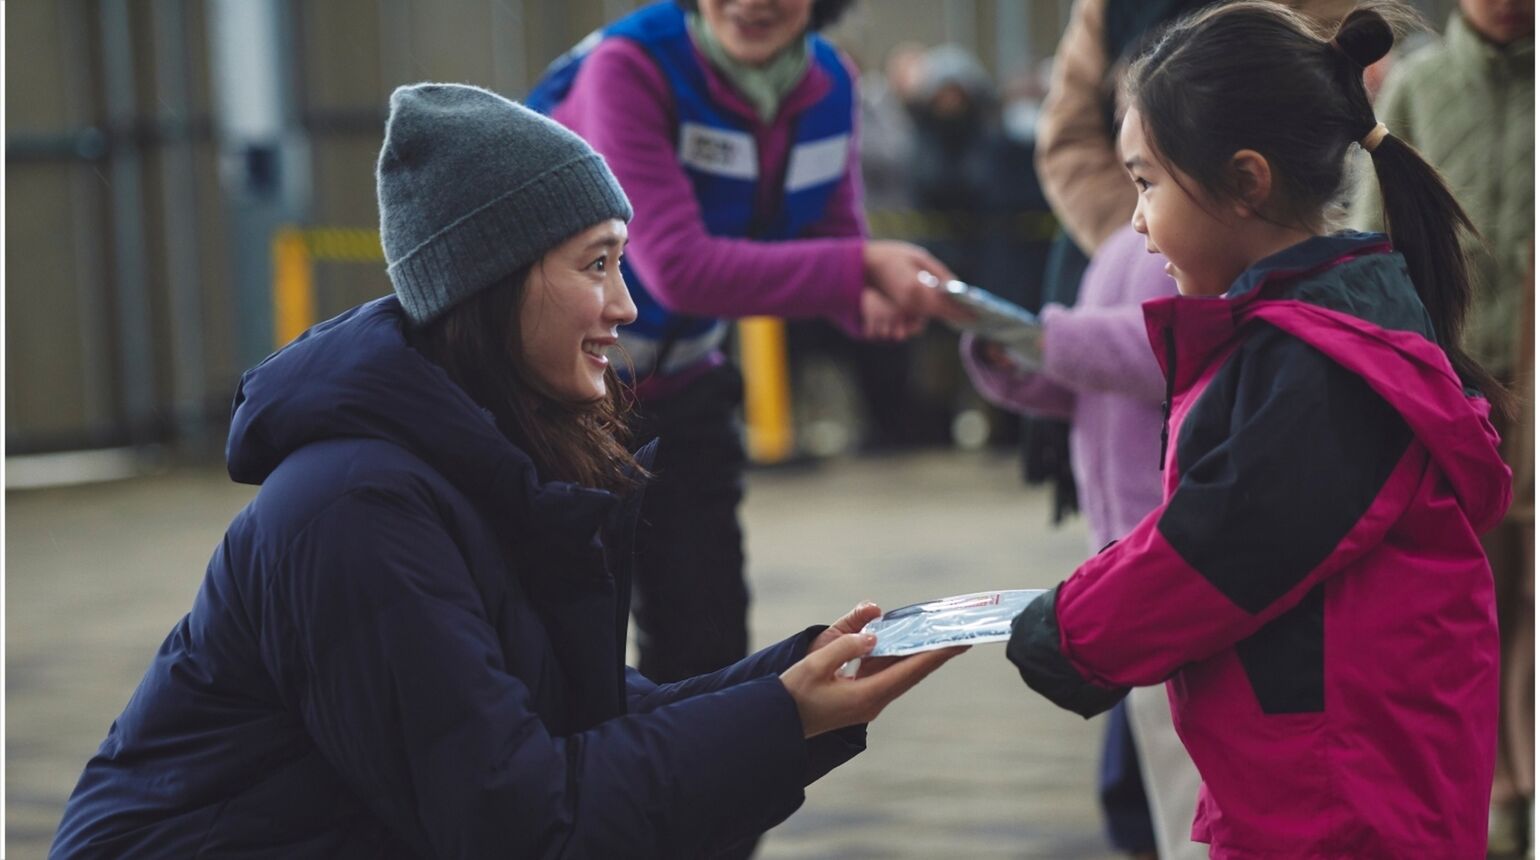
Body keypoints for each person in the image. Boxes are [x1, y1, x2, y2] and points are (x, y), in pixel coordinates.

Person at [49, 84, 964, 859]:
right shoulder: (355, 508)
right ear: (489, 283)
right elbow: (512, 819)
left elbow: (570, 710)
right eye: (596, 264)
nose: (625, 305)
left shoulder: (482, 460)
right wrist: (779, 718)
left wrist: (798, 676)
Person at [1007, 3, 1514, 857]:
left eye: (1148, 183)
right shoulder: (1323, 332)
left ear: (1246, 181)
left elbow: (1222, 540)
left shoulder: (1324, 368)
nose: (1136, 220)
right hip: (1324, 778)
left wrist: (1071, 630)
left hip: (1339, 800)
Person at [525, 0, 962, 689]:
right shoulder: (629, 68)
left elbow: (831, 241)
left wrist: (873, 303)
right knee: (565, 653)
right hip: (562, 404)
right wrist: (861, 270)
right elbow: (679, 269)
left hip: (685, 389)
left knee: (709, 649)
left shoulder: (829, 82)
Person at [1345, 5, 1534, 849]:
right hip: (1457, 390)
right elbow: (1368, 238)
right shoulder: (1419, 87)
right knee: (1474, 598)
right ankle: (1491, 792)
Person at [960, 224, 1187, 858]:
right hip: (1120, 553)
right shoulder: (1119, 246)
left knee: (1191, 784)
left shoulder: (1205, 239)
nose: (1139, 213)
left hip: (1182, 553)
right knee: (1164, 783)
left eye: (1149, 181)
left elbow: (1173, 346)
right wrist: (1012, 357)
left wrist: (1050, 340)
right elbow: (1086, 381)